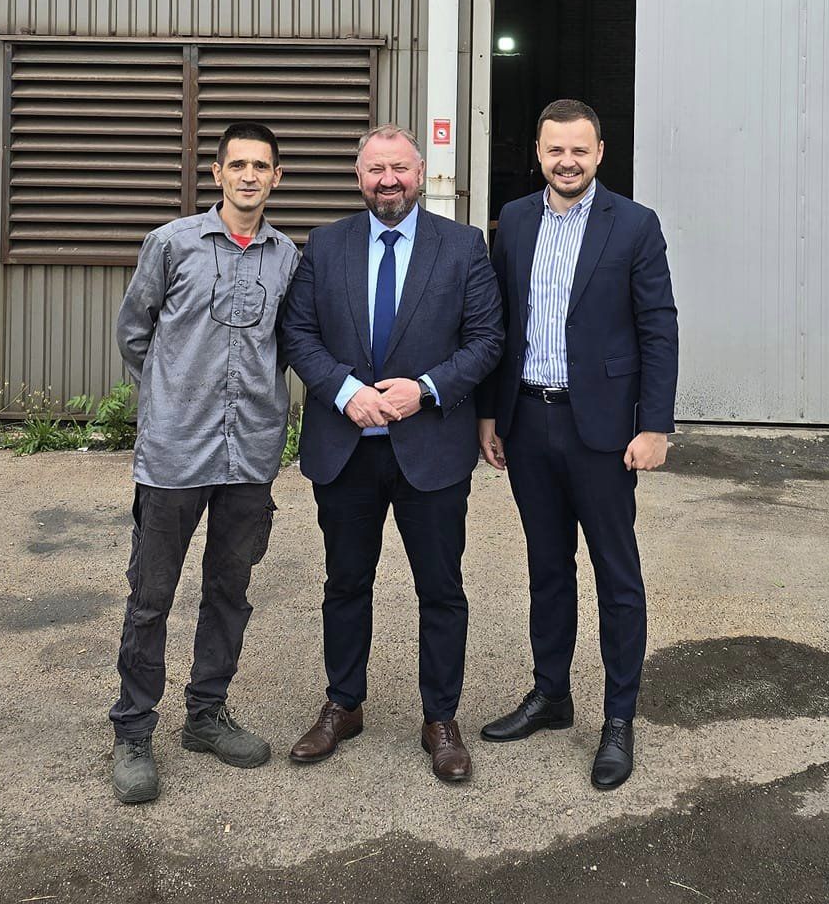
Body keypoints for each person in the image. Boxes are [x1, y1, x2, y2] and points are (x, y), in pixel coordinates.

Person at [278, 125, 503, 782]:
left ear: (420, 173)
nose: (388, 180)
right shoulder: (326, 245)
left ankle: (441, 719)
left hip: (430, 451)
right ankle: (343, 705)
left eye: (400, 168)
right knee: (346, 583)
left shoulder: (462, 246)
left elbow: (487, 339)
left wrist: (425, 389)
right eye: (376, 169)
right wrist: (345, 390)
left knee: (441, 589)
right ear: (359, 177)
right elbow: (298, 332)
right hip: (345, 450)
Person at [476, 98, 679, 790]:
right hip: (528, 422)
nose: (567, 162)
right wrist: (489, 414)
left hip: (603, 430)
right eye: (555, 150)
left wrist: (654, 425)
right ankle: (551, 694)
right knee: (547, 568)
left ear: (599, 153)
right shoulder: (515, 220)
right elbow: (501, 322)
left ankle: (618, 719)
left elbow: (658, 328)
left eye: (579, 151)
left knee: (617, 576)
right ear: (538, 152)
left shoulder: (635, 224)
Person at [106, 121, 301, 805]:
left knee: (229, 591)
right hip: (174, 454)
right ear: (216, 173)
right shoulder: (171, 244)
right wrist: (170, 397)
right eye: (237, 164)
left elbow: (288, 344)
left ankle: (206, 716)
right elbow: (135, 331)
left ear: (277, 177)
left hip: (249, 453)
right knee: (151, 596)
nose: (249, 176)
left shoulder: (287, 258)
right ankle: (133, 731)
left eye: (262, 166)